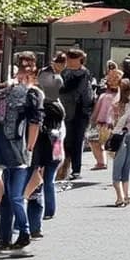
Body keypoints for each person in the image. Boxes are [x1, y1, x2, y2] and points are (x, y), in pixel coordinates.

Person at [0, 61, 43, 249]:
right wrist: (30, 148)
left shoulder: (4, 92)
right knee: (15, 196)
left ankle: (5, 239)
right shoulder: (32, 95)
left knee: (9, 196)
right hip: (18, 148)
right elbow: (35, 123)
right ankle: (24, 232)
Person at [24, 52, 65, 234]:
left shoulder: (40, 108)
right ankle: (49, 211)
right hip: (56, 145)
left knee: (38, 182)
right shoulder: (58, 108)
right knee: (48, 180)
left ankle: (31, 223)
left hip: (41, 149)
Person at [58, 48, 94, 181]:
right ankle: (63, 167)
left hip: (80, 111)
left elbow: (78, 92)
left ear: (80, 60)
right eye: (69, 59)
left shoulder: (84, 73)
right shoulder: (63, 72)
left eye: (73, 59)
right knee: (65, 140)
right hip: (63, 110)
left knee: (77, 140)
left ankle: (76, 169)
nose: (70, 62)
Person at [109, 80, 130, 207]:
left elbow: (122, 118)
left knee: (118, 165)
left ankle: (120, 196)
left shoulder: (121, 102)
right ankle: (126, 194)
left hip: (121, 134)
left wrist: (114, 131)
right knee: (127, 166)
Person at [89, 75, 119, 172]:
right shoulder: (117, 97)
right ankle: (104, 162)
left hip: (105, 123)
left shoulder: (105, 96)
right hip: (108, 124)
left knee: (96, 142)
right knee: (100, 143)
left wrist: (92, 120)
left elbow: (96, 110)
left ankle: (101, 162)